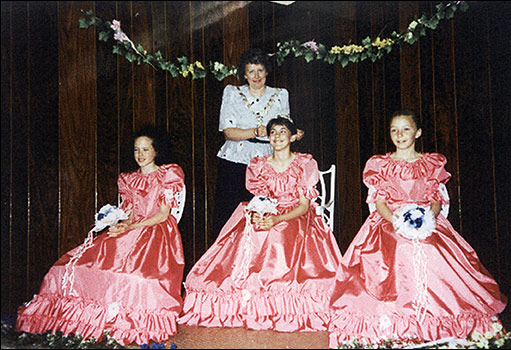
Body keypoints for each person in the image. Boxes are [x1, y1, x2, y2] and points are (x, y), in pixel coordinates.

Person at [327, 110, 507, 348]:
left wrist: (428, 218)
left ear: (418, 132)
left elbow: (435, 199)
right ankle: (397, 319)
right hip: (389, 221)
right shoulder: (380, 164)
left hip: (427, 220)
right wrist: (397, 221)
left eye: (406, 129)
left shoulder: (431, 162)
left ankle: (438, 319)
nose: (399, 135)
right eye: (394, 130)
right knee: (399, 246)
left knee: (432, 247)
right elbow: (379, 202)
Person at [15, 125, 186, 346]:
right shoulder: (128, 179)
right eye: (136, 150)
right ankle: (81, 318)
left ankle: (128, 319)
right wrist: (120, 224)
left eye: (145, 149)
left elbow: (163, 215)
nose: (140, 155)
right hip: (131, 229)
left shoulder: (168, 174)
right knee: (76, 265)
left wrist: (131, 227)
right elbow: (131, 211)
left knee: (137, 277)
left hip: (156, 232)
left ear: (156, 151)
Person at [179, 116, 341, 332]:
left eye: (283, 131)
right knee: (252, 229)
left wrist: (276, 219)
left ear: (292, 136)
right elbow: (261, 199)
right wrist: (261, 215)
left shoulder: (304, 164)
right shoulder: (259, 165)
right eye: (273, 132)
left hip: (296, 215)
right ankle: (247, 297)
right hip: (269, 210)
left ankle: (280, 297)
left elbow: (303, 206)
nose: (277, 136)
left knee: (279, 233)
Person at [212, 47, 304, 246]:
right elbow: (228, 132)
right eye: (251, 71)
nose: (256, 76)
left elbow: (285, 126)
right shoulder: (232, 93)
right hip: (235, 161)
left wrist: (294, 134)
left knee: (264, 214)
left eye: (260, 70)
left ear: (267, 72)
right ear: (244, 74)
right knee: (231, 216)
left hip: (269, 163)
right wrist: (255, 131)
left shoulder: (280, 94)